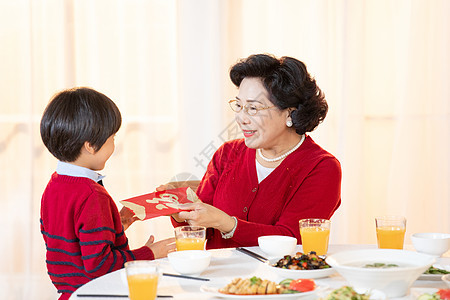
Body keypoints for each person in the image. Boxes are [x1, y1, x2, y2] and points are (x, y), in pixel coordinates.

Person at [168, 54, 342, 249]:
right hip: (217, 277)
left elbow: (293, 239)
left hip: (277, 278)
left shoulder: (322, 167)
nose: (241, 118)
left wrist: (227, 224)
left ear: (289, 113)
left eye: (253, 108)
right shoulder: (227, 154)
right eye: (239, 105)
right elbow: (201, 232)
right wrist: (181, 215)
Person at [39, 87, 175, 299]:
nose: (114, 143)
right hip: (99, 294)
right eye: (112, 137)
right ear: (91, 146)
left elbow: (68, 240)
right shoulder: (92, 194)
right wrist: (150, 254)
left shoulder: (54, 185)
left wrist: (114, 227)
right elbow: (100, 266)